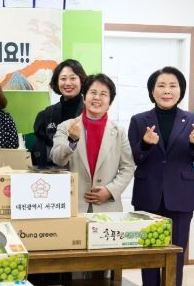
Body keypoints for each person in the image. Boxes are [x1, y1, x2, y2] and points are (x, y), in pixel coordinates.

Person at [128, 66, 194, 286]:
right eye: (161, 85)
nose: (167, 90)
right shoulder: (139, 120)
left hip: (181, 198)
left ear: (180, 90)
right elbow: (134, 158)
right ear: (152, 91)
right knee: (149, 256)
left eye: (173, 85)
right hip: (148, 196)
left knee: (175, 256)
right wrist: (145, 144)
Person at [51, 73, 135, 213]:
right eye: (93, 92)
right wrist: (72, 141)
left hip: (107, 208)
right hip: (73, 206)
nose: (97, 97)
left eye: (103, 94)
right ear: (84, 98)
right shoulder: (66, 126)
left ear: (110, 102)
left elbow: (128, 167)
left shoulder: (118, 131)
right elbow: (57, 159)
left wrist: (110, 191)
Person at [32, 59, 87, 167]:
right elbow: (40, 149)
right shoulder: (46, 115)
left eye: (73, 78)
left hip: (82, 171)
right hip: (54, 171)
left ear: (81, 81)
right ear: (57, 82)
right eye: (63, 78)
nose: (68, 83)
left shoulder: (90, 113)